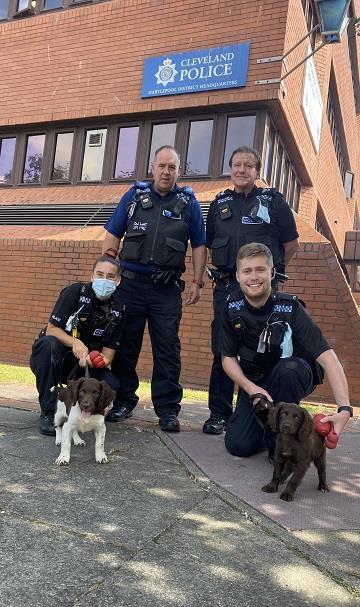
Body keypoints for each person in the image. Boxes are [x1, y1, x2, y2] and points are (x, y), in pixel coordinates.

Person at [101, 145, 206, 433]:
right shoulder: (134, 197)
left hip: (166, 290)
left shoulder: (189, 204)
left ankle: (168, 409)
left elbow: (199, 245)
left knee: (168, 351)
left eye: (172, 167)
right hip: (130, 287)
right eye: (162, 166)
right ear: (152, 167)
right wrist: (108, 276)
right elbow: (112, 236)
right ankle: (124, 400)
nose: (166, 171)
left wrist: (197, 281)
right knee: (125, 346)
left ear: (178, 171)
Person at [219, 242, 352, 458]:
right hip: (256, 383)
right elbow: (227, 359)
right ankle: (295, 428)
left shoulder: (290, 308)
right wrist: (251, 389)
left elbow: (328, 358)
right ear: (238, 276)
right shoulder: (231, 310)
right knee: (239, 445)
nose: (254, 277)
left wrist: (344, 409)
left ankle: (284, 447)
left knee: (288, 370)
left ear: (272, 272)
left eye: (260, 269)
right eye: (247, 271)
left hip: (291, 375)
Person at [203, 145, 300, 435]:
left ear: (257, 171)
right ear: (230, 169)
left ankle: (267, 414)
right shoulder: (219, 205)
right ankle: (219, 414)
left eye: (248, 165)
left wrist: (272, 275)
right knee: (223, 350)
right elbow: (209, 246)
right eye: (236, 165)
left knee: (266, 349)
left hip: (263, 291)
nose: (241, 170)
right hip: (226, 289)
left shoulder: (273, 202)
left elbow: (291, 244)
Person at [30, 256, 125, 436]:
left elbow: (108, 357)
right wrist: (75, 343)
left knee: (112, 384)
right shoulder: (75, 292)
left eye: (110, 276)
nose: (104, 280)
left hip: (84, 366)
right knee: (47, 345)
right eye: (100, 274)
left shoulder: (119, 309)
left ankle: (89, 413)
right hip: (56, 359)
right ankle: (49, 413)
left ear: (117, 281)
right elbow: (52, 329)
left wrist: (93, 360)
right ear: (92, 276)